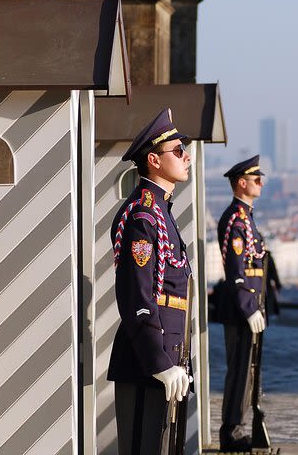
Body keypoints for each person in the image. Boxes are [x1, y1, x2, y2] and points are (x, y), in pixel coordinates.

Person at [107, 108, 192, 454]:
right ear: (154, 160)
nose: (185, 157)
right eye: (177, 151)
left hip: (168, 355)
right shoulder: (143, 215)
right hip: (148, 361)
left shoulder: (161, 211)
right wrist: (158, 362)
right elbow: (138, 295)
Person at [215, 155, 268, 452]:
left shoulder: (246, 217)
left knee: (249, 370)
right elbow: (236, 271)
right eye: (255, 178)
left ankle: (238, 426)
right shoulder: (235, 218)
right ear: (241, 183)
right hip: (239, 309)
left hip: (249, 306)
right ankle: (231, 431)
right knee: (239, 369)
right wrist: (249, 308)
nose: (261, 182)